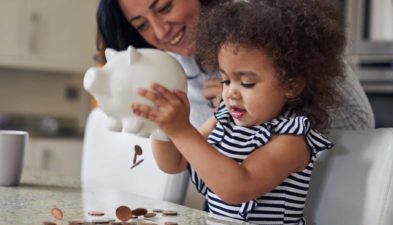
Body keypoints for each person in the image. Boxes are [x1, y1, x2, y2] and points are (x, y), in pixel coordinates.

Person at [131, 0, 345, 223]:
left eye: (247, 83)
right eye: (225, 80)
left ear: (291, 85)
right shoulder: (222, 119)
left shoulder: (291, 140)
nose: (230, 93)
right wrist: (161, 127)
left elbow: (238, 188)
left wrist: (182, 130)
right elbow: (173, 163)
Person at [95, 0, 375, 130]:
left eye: (165, 7)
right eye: (142, 25)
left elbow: (358, 121)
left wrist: (262, 105)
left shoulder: (265, 23)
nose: (160, 31)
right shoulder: (173, 70)